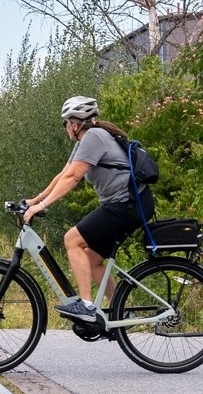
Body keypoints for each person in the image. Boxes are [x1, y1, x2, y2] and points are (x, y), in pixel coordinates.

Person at [23, 96, 154, 324]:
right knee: (93, 260)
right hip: (127, 205)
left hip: (127, 205)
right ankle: (120, 309)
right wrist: (37, 200)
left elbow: (74, 177)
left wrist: (42, 207)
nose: (65, 128)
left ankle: (86, 306)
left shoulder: (94, 136)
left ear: (74, 124)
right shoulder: (84, 141)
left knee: (72, 240)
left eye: (65, 123)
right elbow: (64, 174)